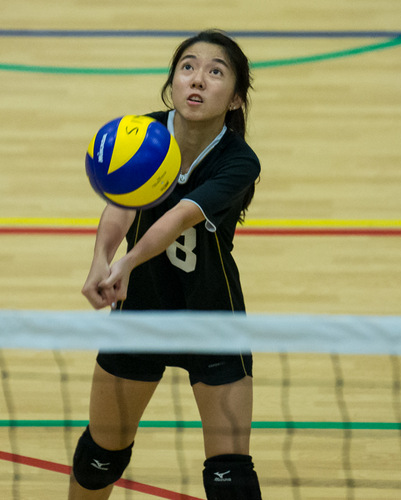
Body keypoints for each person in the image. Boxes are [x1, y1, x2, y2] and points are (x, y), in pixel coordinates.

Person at [68, 30, 263, 500]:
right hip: (142, 312)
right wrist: (101, 260)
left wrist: (128, 263)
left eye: (216, 71)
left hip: (212, 315)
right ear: (172, 81)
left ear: (235, 98)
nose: (198, 79)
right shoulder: (140, 135)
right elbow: (121, 205)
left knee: (231, 479)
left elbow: (177, 218)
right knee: (99, 459)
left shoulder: (239, 161)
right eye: (188, 67)